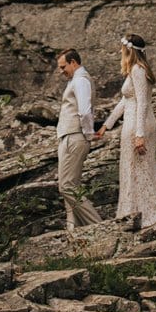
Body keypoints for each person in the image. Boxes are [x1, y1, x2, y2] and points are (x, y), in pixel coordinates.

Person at [95, 34, 156, 228]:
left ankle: (142, 212)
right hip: (133, 123)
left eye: (122, 49)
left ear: (129, 50)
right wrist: (107, 124)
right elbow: (126, 101)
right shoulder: (135, 70)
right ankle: (134, 210)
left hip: (137, 125)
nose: (119, 52)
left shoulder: (138, 70)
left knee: (138, 169)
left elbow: (143, 103)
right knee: (134, 169)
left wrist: (139, 134)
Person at [56, 48, 102, 231]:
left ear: (73, 62)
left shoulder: (81, 80)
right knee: (71, 185)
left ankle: (98, 226)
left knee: (66, 186)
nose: (61, 72)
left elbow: (84, 110)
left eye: (63, 67)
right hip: (69, 136)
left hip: (74, 136)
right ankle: (73, 230)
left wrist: (89, 133)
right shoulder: (76, 80)